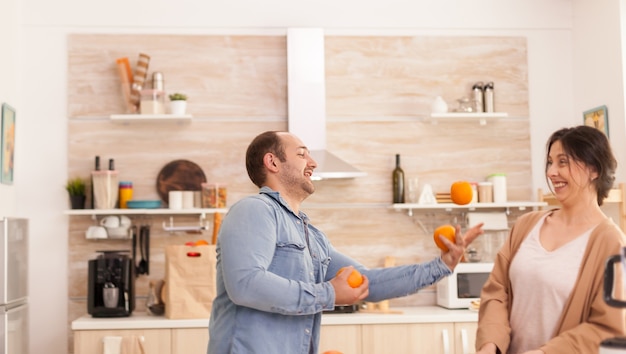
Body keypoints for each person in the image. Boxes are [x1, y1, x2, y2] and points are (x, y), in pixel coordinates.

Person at [207, 130, 484, 354]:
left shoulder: (313, 237)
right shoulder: (254, 210)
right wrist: (329, 294)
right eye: (302, 155)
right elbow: (245, 286)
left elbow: (367, 283)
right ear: (273, 162)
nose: (313, 164)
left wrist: (442, 266)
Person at [475, 125, 626, 354]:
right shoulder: (526, 226)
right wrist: (490, 344)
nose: (551, 172)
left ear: (594, 169)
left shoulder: (611, 243)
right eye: (550, 162)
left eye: (562, 162)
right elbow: (497, 292)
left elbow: (609, 329)